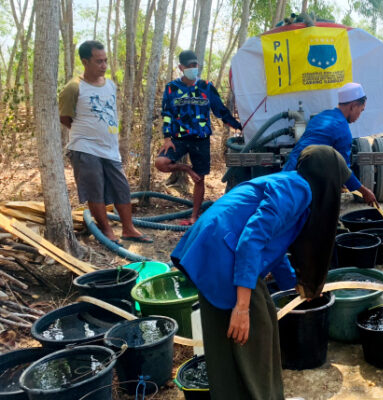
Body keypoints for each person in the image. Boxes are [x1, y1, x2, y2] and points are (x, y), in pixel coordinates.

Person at [171, 145, 351, 400]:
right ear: (327, 178)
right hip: (224, 252)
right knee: (254, 336)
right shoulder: (298, 190)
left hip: (216, 247)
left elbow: (272, 247)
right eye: (338, 185)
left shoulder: (293, 185)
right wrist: (242, 307)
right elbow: (251, 241)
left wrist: (294, 288)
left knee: (235, 338)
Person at [59, 40, 151, 245]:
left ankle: (129, 229)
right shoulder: (73, 87)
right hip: (85, 147)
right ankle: (107, 231)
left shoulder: (110, 85)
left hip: (110, 149)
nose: (104, 65)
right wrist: (87, 133)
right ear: (85, 62)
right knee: (95, 189)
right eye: (98, 61)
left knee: (122, 188)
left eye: (105, 61)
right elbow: (65, 118)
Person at [155, 50, 242, 225]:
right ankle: (187, 169)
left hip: (201, 139)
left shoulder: (206, 87)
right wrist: (167, 138)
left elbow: (221, 111)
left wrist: (240, 126)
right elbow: (166, 114)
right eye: (189, 66)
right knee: (161, 163)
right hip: (178, 139)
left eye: (196, 65)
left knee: (200, 178)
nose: (194, 68)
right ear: (181, 67)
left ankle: (194, 216)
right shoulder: (172, 88)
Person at [283, 82, 377, 205]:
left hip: (287, 173)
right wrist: (365, 192)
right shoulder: (342, 129)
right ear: (353, 106)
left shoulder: (320, 117)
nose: (359, 115)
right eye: (361, 110)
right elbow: (344, 171)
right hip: (303, 180)